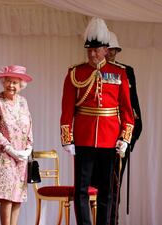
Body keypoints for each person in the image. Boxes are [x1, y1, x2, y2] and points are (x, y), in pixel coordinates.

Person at [60, 17, 134, 225]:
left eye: (96, 50)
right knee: (81, 189)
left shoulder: (119, 73)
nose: (92, 54)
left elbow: (127, 111)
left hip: (110, 139)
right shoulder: (76, 73)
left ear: (105, 49)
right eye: (89, 50)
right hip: (83, 138)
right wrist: (67, 137)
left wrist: (125, 138)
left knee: (107, 191)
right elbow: (67, 107)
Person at [0, 65, 33, 225]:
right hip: (4, 156)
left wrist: (28, 148)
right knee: (7, 197)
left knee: (17, 196)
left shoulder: (23, 102)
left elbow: (29, 125)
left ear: (21, 85)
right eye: (8, 81)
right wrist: (10, 149)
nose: (11, 85)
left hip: (21, 156)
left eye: (15, 82)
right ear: (3, 82)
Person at [106, 31, 143, 225]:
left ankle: (113, 221)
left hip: (121, 135)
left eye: (113, 50)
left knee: (114, 185)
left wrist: (129, 138)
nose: (110, 53)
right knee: (95, 186)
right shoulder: (89, 71)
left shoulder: (126, 71)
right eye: (107, 49)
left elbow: (133, 106)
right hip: (99, 136)